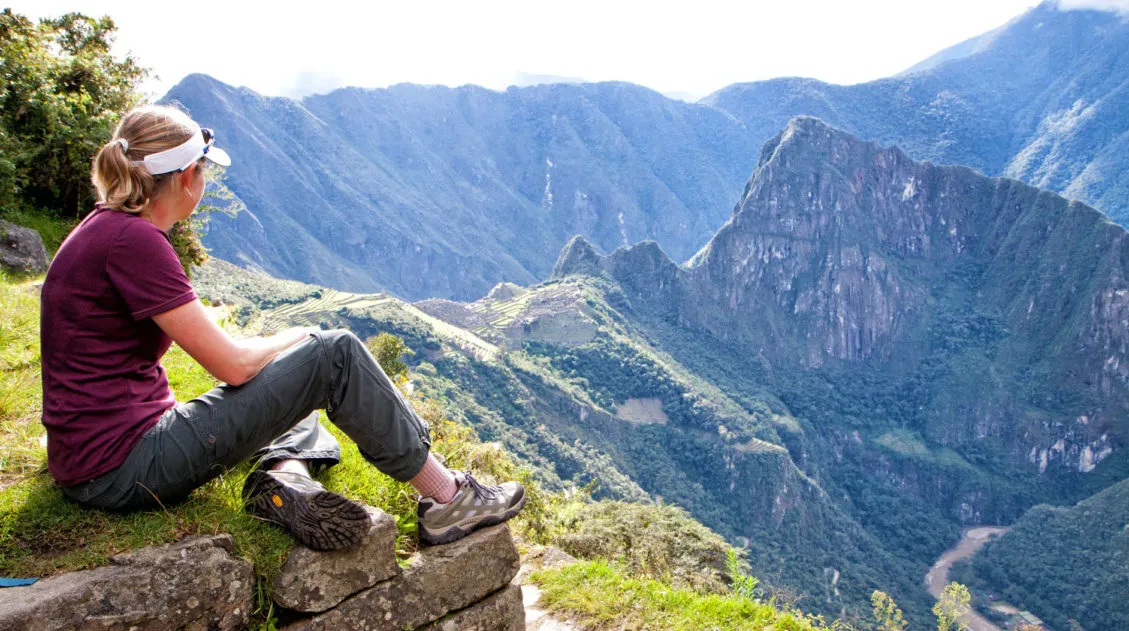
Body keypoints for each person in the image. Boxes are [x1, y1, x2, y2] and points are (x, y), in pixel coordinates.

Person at [39, 104, 524, 550]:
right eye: (204, 171)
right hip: (122, 467)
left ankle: (284, 475)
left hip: (95, 456)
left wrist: (286, 357)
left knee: (294, 388)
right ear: (188, 177)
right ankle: (448, 498)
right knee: (334, 354)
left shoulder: (105, 228)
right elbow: (232, 366)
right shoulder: (135, 242)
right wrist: (303, 336)